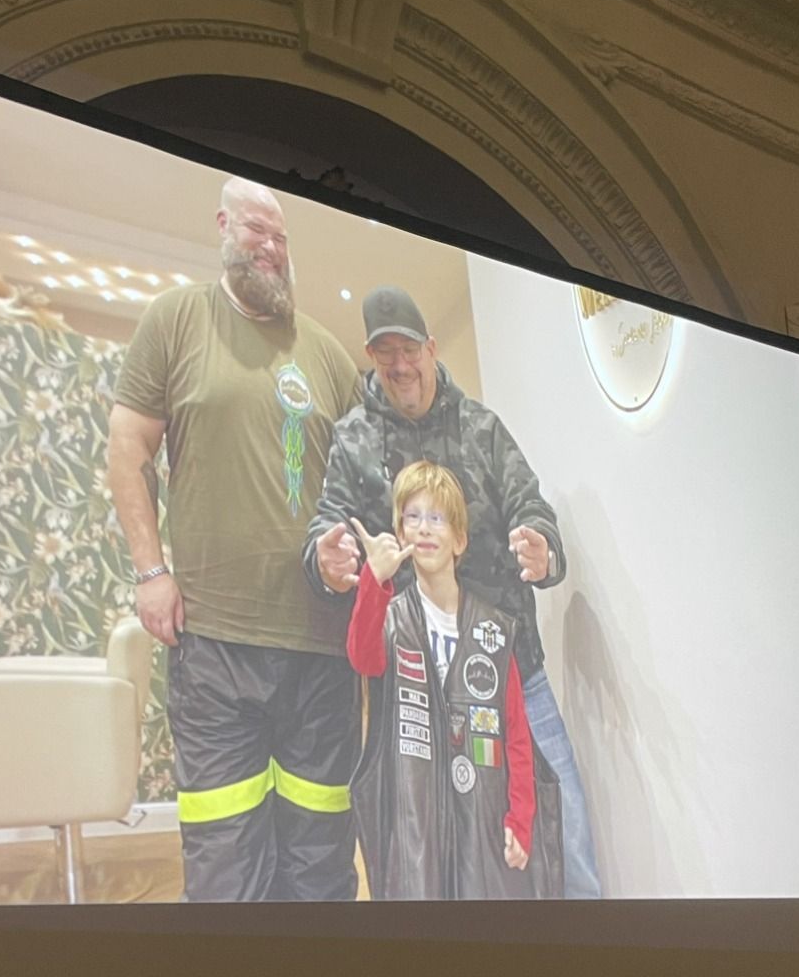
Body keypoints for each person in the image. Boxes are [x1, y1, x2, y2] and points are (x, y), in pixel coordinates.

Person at [108, 177, 362, 903]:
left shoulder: (327, 354)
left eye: (281, 237)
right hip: (216, 644)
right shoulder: (176, 320)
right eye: (257, 229)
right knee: (227, 862)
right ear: (223, 226)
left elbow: (364, 482)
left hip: (321, 649)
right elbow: (127, 447)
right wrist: (151, 571)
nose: (271, 247)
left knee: (320, 859)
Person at [304, 285, 602, 899]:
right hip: (416, 697)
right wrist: (325, 559)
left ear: (431, 349)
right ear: (371, 356)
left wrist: (542, 549)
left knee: (562, 834)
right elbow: (328, 526)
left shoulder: (482, 429)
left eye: (409, 349)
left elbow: (530, 506)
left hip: (511, 672)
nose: (399, 365)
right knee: (434, 864)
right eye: (385, 352)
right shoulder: (353, 439)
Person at [346, 460, 562, 900]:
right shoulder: (390, 619)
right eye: (412, 517)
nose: (424, 528)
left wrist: (520, 817)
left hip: (484, 832)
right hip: (415, 832)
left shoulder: (493, 630)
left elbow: (516, 734)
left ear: (460, 539)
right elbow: (362, 657)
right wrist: (373, 580)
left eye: (437, 518)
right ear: (400, 533)